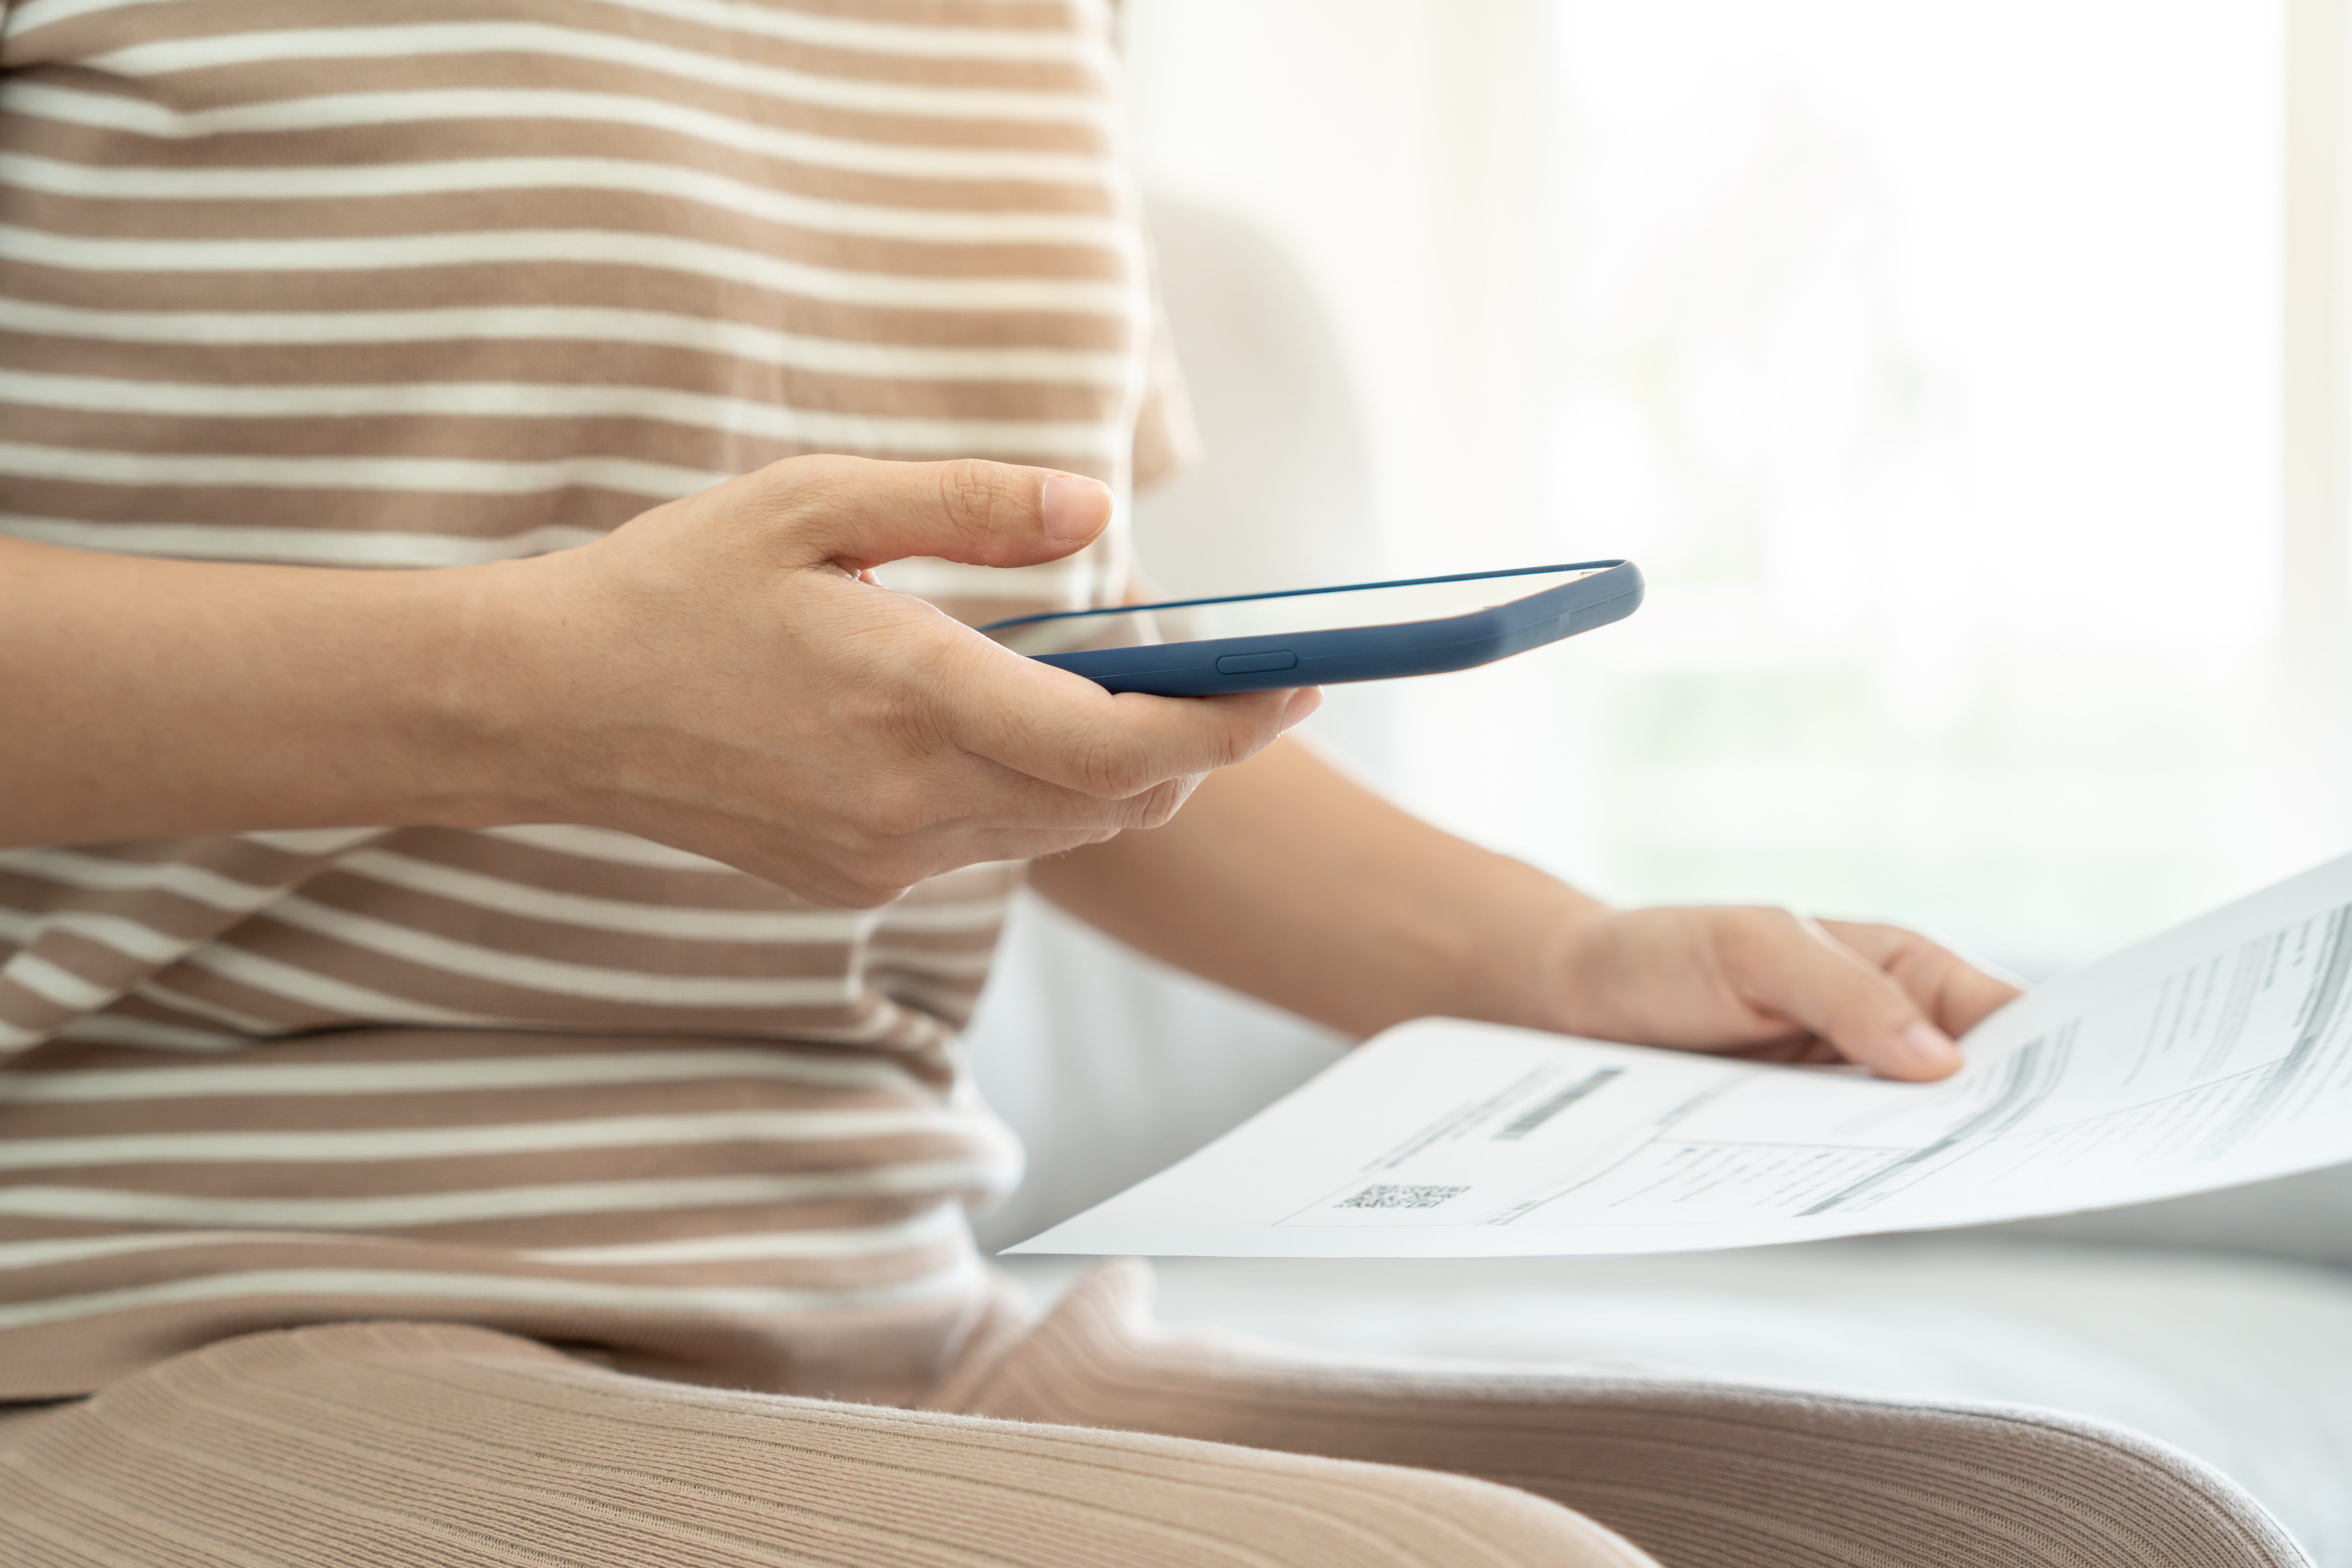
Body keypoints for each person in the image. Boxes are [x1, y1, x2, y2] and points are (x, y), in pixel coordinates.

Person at [0, 3, 2298, 1565]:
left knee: (2096, 1530)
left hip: (900, 1301)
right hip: (132, 1323)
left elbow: (1023, 702)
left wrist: (1563, 958)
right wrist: (521, 690)